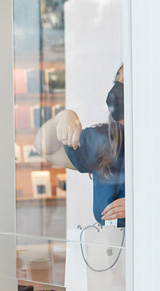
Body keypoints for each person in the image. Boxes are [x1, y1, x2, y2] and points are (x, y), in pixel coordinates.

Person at [34, 65, 125, 226]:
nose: (117, 89)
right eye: (117, 81)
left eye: (126, 82)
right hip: (113, 249)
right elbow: (43, 146)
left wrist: (146, 206)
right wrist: (63, 117)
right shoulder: (106, 141)